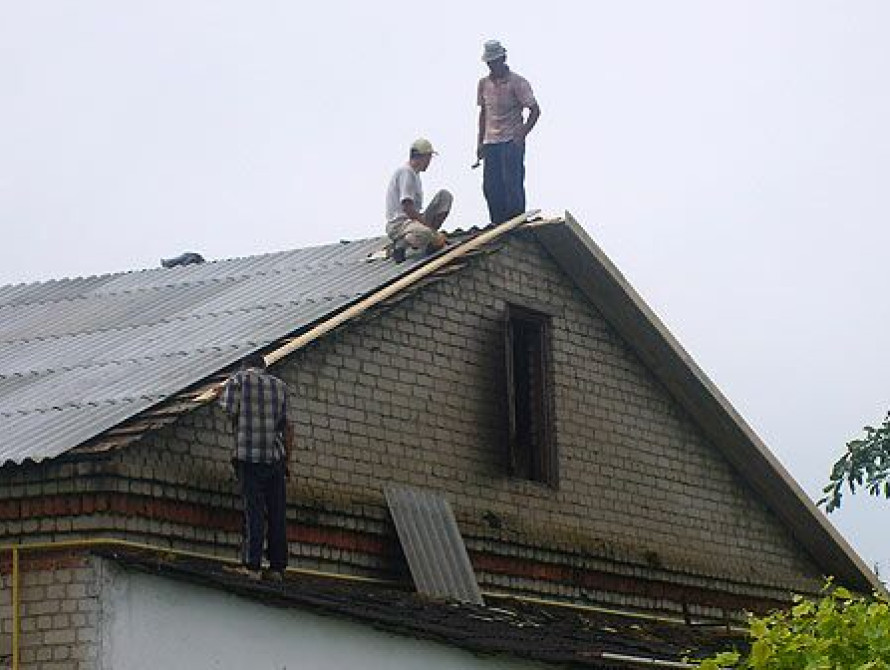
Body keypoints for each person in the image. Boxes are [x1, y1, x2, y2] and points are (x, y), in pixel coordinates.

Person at [216, 353, 290, 581]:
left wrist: (220, 393)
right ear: (263, 366)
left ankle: (252, 566)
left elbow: (228, 408)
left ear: (244, 366)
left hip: (249, 458)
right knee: (277, 513)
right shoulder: (280, 386)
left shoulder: (238, 380)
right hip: (275, 459)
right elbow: (284, 424)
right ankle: (277, 568)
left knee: (254, 511)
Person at [476, 39, 540, 224]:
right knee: (491, 185)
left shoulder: (517, 82)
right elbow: (484, 113)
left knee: (511, 182)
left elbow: (535, 110)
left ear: (503, 59)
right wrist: (480, 142)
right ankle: (498, 222)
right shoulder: (483, 84)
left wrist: (523, 133)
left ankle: (515, 221)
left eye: (495, 62)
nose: (492, 66)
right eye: (489, 63)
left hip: (511, 139)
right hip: (491, 141)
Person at [385, 138, 452, 263]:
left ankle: (427, 240)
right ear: (420, 157)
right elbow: (407, 207)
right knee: (426, 234)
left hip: (413, 222)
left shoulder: (415, 174)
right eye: (428, 158)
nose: (429, 162)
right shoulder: (406, 172)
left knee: (445, 197)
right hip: (400, 225)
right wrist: (430, 230)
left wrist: (429, 228)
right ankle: (402, 243)